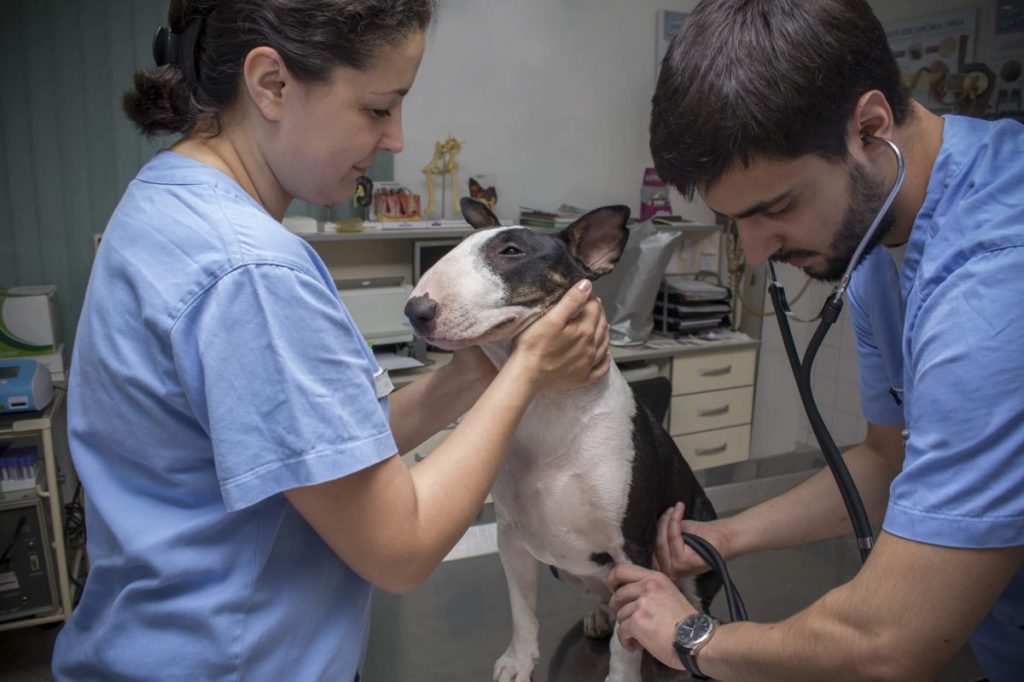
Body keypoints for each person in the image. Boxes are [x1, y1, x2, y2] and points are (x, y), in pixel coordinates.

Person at [51, 1, 611, 679]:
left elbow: (332, 452)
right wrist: (527, 374)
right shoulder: (250, 272)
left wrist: (480, 367)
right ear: (272, 84)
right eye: (380, 108)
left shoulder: (166, 203)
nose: (398, 138)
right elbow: (400, 548)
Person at [606, 1, 1024, 681]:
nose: (758, 249)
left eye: (775, 208)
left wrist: (691, 636)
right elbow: (886, 464)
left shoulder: (996, 294)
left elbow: (888, 646)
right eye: (733, 218)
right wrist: (725, 537)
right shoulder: (876, 245)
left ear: (870, 126)